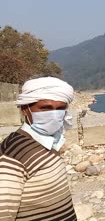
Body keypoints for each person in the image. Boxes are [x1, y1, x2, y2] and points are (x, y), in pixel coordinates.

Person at [0, 76, 77, 220]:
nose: (54, 115)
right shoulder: (12, 156)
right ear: (25, 109)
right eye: (45, 108)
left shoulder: (50, 142)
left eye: (60, 108)